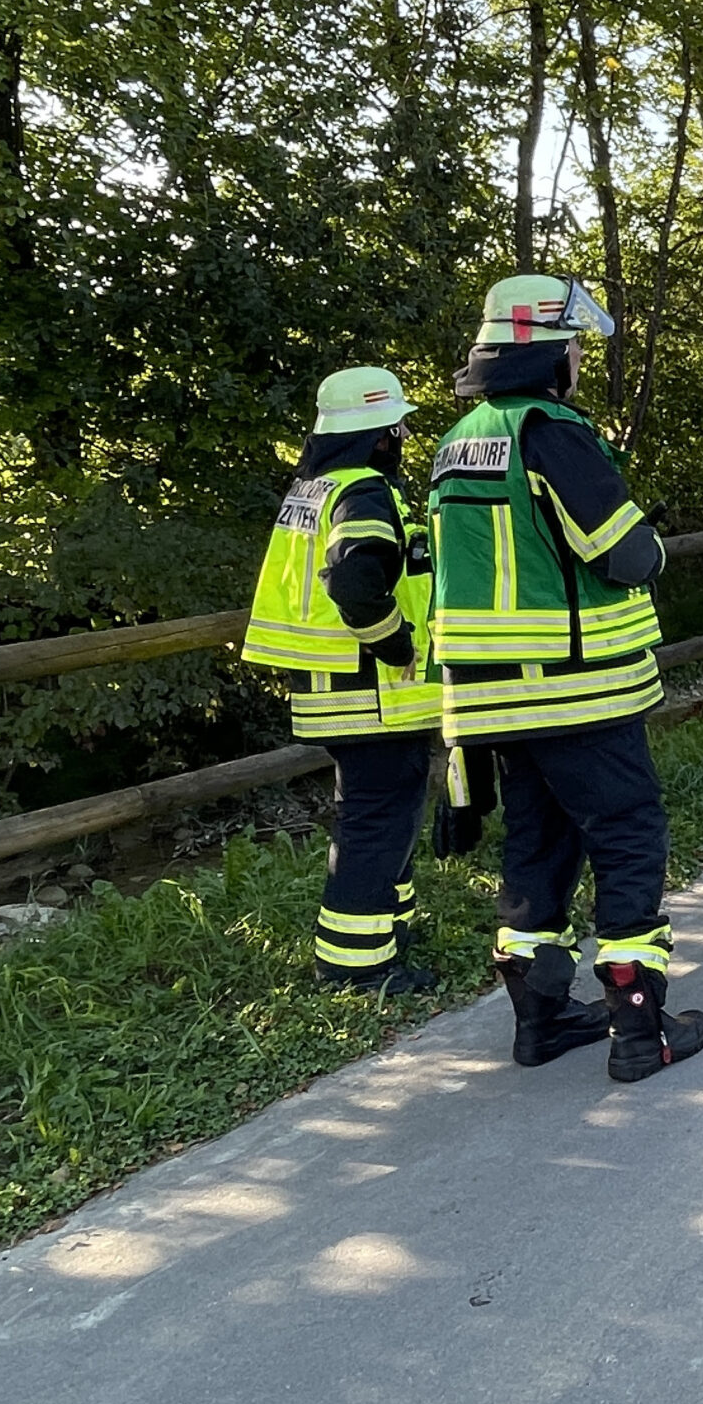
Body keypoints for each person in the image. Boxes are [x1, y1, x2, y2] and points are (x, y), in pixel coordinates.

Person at [427, 274, 703, 1083]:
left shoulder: (459, 440)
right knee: (626, 838)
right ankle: (637, 1031)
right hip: (578, 688)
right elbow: (622, 552)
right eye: (575, 343)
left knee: (537, 846)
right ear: (547, 348)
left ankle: (541, 1020)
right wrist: (655, 549)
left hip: (492, 697)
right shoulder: (552, 431)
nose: (582, 358)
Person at [242, 367, 443, 994]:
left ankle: (389, 927)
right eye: (398, 425)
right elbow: (355, 584)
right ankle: (358, 966)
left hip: (329, 687)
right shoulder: (363, 492)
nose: (405, 434)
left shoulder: (312, 487)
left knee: (376, 813)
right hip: (371, 692)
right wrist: (396, 643)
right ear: (379, 434)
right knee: (377, 820)